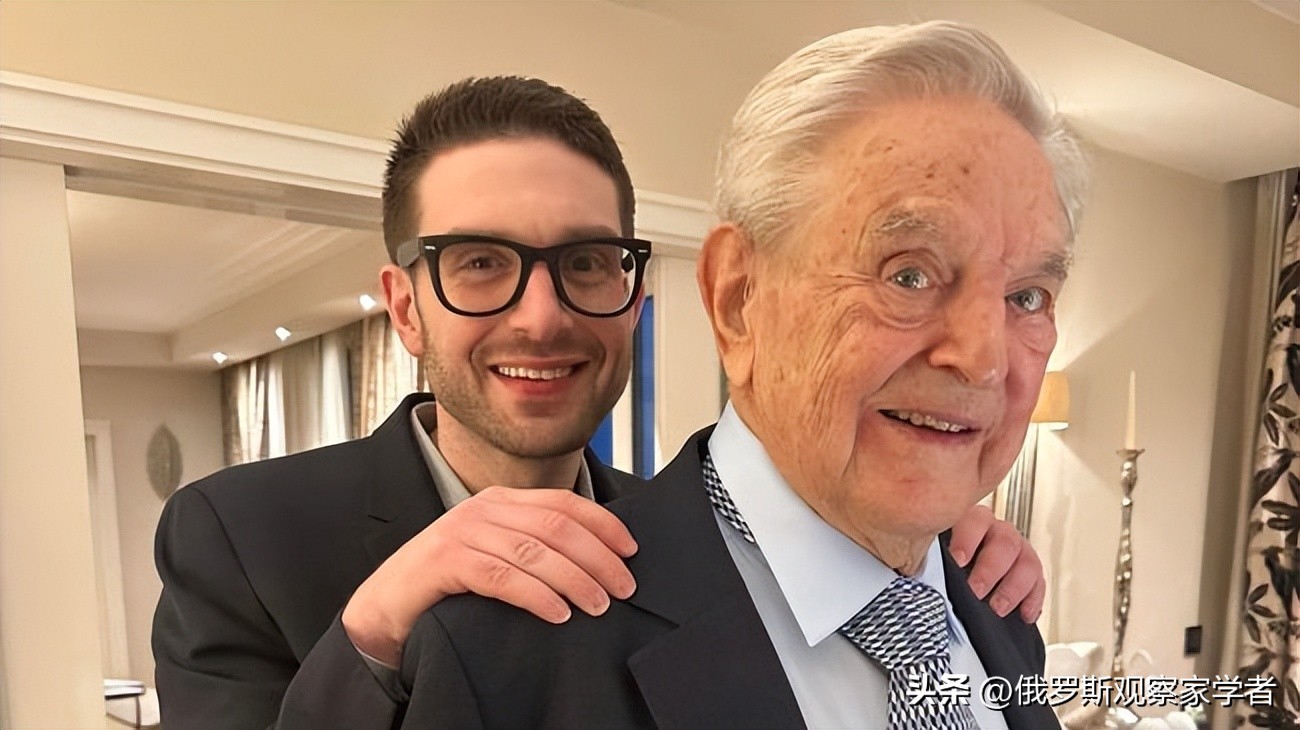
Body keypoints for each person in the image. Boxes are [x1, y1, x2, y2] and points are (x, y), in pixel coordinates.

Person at [153, 74, 1049, 730]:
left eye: (586, 263)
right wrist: (374, 638)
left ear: (634, 294)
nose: (542, 318)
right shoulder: (242, 535)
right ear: (406, 308)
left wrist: (904, 532)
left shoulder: (680, 542)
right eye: (481, 263)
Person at [395, 20, 1084, 730]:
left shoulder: (1002, 612)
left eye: (1027, 297)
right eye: (908, 275)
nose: (983, 359)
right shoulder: (503, 660)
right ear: (738, 299)